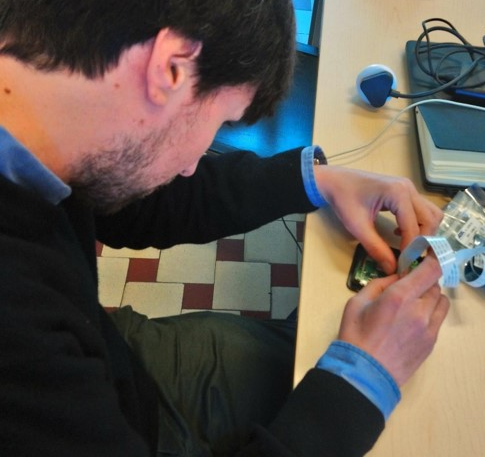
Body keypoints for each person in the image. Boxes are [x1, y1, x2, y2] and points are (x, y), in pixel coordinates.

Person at [0, 1, 450, 456]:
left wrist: (316, 181)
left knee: (299, 344)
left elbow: (130, 201)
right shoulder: (17, 336)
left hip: (114, 363)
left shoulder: (49, 115)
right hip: (111, 410)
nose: (193, 167)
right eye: (220, 122)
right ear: (170, 68)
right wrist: (363, 382)